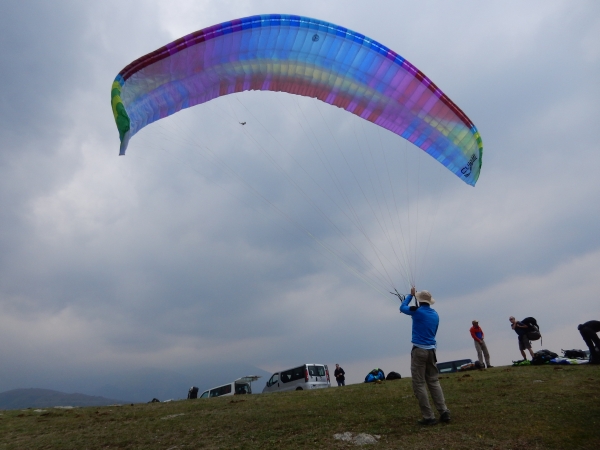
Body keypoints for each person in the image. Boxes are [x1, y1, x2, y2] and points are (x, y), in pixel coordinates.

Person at [400, 287, 450, 426]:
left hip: (419, 350)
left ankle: (428, 417)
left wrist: (410, 296)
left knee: (419, 383)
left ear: (419, 300)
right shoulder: (435, 314)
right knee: (433, 381)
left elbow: (402, 307)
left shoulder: (417, 312)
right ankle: (444, 411)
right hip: (432, 350)